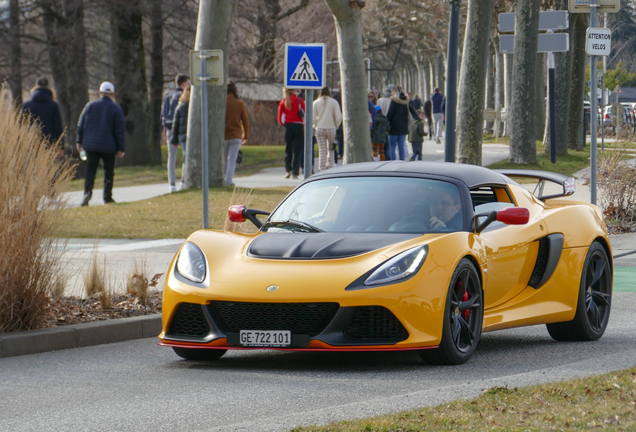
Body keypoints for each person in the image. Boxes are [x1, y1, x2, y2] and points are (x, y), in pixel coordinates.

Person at [76, 81, 126, 207]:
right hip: (108, 146)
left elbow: (81, 125)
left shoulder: (90, 106)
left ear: (100, 93)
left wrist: (79, 141)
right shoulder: (116, 109)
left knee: (90, 170)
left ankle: (87, 192)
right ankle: (107, 197)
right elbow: (119, 130)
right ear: (113, 94)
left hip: (91, 145)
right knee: (108, 171)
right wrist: (121, 148)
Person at [21, 77, 64, 158]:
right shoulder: (53, 105)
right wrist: (60, 146)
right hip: (49, 144)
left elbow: (21, 125)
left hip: (30, 143)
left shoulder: (27, 105)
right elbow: (57, 127)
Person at [162, 74, 190, 192]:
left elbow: (163, 114)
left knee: (171, 157)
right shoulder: (184, 97)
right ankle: (183, 182)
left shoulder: (167, 96)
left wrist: (164, 131)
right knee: (185, 156)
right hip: (182, 130)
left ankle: (172, 184)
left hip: (169, 129)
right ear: (184, 84)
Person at [224, 81, 250, 186]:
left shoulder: (221, 102)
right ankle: (228, 181)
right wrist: (246, 135)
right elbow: (245, 121)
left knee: (224, 159)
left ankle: (222, 179)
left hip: (223, 135)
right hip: (236, 135)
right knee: (232, 160)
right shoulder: (240, 104)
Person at [277, 87, 305, 179]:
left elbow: (280, 118)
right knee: (297, 150)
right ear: (293, 91)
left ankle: (287, 170)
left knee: (288, 149)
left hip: (288, 126)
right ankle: (295, 172)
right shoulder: (300, 101)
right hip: (298, 126)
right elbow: (305, 114)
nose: (297, 92)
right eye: (297, 90)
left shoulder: (283, 102)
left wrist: (284, 124)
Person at [313, 86, 341, 172]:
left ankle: (322, 168)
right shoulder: (334, 102)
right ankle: (330, 166)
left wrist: (315, 125)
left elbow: (313, 117)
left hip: (320, 127)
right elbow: (338, 116)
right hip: (331, 127)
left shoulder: (316, 103)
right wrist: (336, 125)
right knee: (331, 148)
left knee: (322, 149)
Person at [169, 85, 190, 190]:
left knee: (186, 157)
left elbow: (175, 123)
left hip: (183, 136)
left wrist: (174, 139)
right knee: (187, 158)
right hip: (191, 136)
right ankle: (184, 180)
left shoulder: (180, 106)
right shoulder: (196, 106)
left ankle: (183, 181)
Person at [386, 86, 411, 160]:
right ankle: (402, 160)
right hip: (403, 127)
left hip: (394, 127)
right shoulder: (406, 102)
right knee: (401, 145)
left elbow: (390, 114)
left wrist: (388, 122)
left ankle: (393, 161)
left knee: (392, 146)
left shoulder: (394, 101)